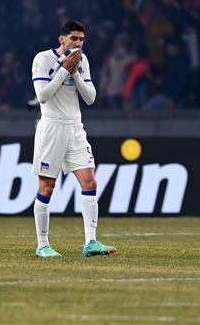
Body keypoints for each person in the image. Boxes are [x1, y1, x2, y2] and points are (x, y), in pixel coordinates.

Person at [31, 20, 116, 258]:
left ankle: (91, 242)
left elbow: (90, 98)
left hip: (75, 129)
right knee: (47, 187)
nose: (78, 44)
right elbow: (43, 96)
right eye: (74, 39)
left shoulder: (82, 61)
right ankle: (42, 245)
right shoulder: (43, 59)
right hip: (51, 129)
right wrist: (63, 70)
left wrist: (76, 73)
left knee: (90, 182)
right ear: (62, 39)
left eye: (81, 40)